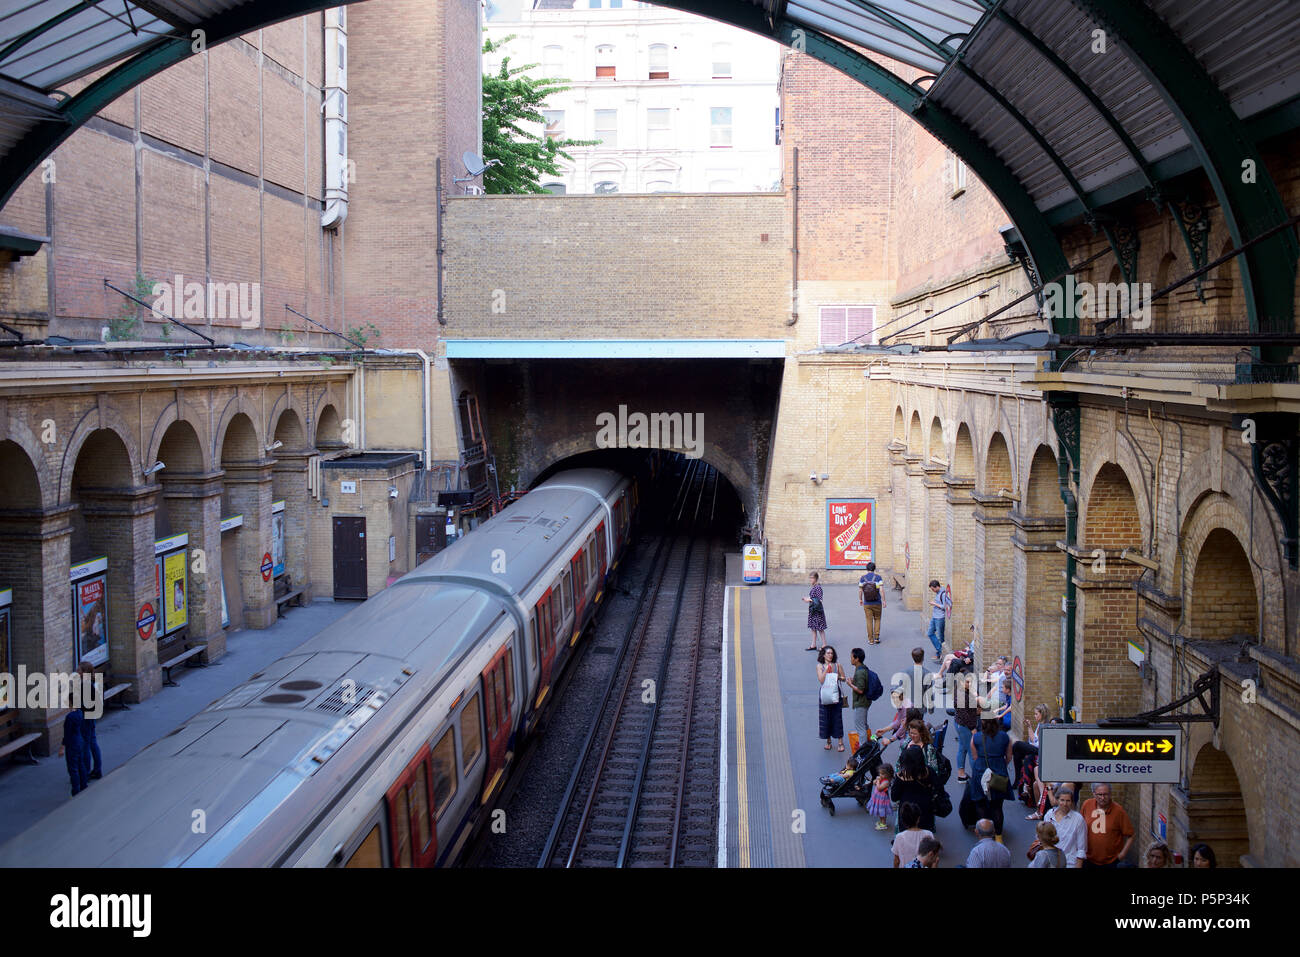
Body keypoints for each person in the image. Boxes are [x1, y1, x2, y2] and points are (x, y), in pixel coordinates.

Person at [961, 718, 1013, 838]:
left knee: (981, 805)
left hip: (980, 773)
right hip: (999, 773)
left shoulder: (976, 737)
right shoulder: (1005, 737)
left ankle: (984, 835)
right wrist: (1000, 765)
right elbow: (1009, 756)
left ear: (983, 723)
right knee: (997, 806)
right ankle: (999, 836)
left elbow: (974, 757)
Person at [1080, 782, 1135, 867]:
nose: (1102, 798)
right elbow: (1080, 828)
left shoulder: (1118, 811)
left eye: (1106, 794)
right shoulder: (1087, 805)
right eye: (1099, 794)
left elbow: (1131, 835)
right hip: (1088, 859)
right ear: (1094, 794)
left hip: (1111, 862)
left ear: (1110, 794)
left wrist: (1122, 854)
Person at [890, 746, 935, 832]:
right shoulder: (929, 771)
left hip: (907, 811)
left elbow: (894, 797)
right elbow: (937, 787)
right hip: (926, 810)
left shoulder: (902, 776)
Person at [1013, 703, 1048, 807]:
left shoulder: (1044, 726)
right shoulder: (1039, 725)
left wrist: (1031, 742)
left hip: (1040, 750)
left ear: (1043, 714)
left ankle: (1018, 780)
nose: (1035, 716)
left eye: (1036, 714)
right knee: (1019, 753)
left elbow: (1036, 743)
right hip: (1035, 748)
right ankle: (1018, 780)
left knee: (1017, 745)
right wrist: (1029, 727)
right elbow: (1033, 739)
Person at [1043, 783, 1086, 867]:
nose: (1065, 804)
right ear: (1057, 800)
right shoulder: (1049, 815)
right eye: (1062, 800)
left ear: (1072, 801)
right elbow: (1043, 840)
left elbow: (1081, 849)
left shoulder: (1078, 819)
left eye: (1068, 801)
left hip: (1069, 863)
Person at [846, 649, 880, 746]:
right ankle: (868, 745)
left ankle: (863, 751)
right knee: (864, 726)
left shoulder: (860, 672)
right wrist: (854, 681)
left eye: (852, 657)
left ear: (856, 659)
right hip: (865, 701)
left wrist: (850, 684)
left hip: (861, 702)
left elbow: (860, 690)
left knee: (860, 728)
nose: (851, 659)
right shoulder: (862, 668)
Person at [816, 645, 847, 752]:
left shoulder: (838, 665)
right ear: (823, 655)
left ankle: (840, 742)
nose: (830, 655)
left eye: (831, 653)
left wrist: (838, 676)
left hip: (835, 693)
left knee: (837, 717)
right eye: (828, 653)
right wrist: (827, 670)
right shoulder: (820, 666)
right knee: (825, 717)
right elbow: (821, 680)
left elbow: (844, 678)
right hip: (824, 693)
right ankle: (828, 741)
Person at [77, 660, 103, 782]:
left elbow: (85, 704)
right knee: (92, 743)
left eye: (78, 670)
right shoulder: (91, 682)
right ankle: (97, 770)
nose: (77, 672)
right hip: (91, 716)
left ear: (84, 672)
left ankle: (86, 772)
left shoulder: (85, 685)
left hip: (86, 717)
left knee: (86, 745)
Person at [57, 700, 87, 797]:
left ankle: (76, 790)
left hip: (72, 744)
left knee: (73, 768)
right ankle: (84, 785)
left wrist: (62, 747)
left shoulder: (69, 717)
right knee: (81, 764)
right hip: (80, 741)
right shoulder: (80, 713)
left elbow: (67, 734)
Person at [952, 672, 978, 783]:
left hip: (960, 724)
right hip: (965, 726)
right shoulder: (962, 694)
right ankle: (976, 779)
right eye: (967, 682)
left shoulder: (962, 692)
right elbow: (964, 714)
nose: (969, 683)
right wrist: (972, 728)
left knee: (962, 748)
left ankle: (961, 774)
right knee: (972, 752)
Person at [891, 801, 933, 868]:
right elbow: (932, 859)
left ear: (903, 820)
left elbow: (896, 861)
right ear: (918, 818)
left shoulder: (899, 837)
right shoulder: (928, 834)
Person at [874, 683, 911, 747]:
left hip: (911, 736)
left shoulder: (907, 707)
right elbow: (898, 721)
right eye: (893, 698)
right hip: (907, 734)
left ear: (902, 696)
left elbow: (903, 727)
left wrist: (890, 740)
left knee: (904, 752)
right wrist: (884, 730)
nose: (894, 700)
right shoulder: (901, 705)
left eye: (896, 697)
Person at [858, 561, 885, 644]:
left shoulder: (862, 578)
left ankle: (871, 640)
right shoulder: (878, 577)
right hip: (877, 602)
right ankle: (877, 637)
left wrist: (860, 599)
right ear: (874, 569)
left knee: (869, 620)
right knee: (877, 619)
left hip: (867, 603)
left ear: (867, 569)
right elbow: (881, 590)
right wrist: (884, 601)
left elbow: (860, 590)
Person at [925, 580, 951, 661]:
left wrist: (934, 604)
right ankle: (940, 651)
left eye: (933, 589)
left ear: (937, 587)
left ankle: (940, 653)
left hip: (940, 618)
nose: (932, 591)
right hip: (935, 617)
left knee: (940, 637)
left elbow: (944, 606)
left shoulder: (943, 594)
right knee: (930, 633)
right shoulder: (938, 593)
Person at [804, 571, 828, 651]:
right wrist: (808, 599)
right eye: (810, 578)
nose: (810, 580)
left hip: (817, 611)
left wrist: (809, 599)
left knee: (820, 628)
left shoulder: (818, 587)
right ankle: (813, 645)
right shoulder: (814, 586)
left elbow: (819, 600)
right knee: (813, 628)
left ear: (816, 578)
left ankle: (824, 645)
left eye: (812, 578)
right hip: (813, 610)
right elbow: (814, 598)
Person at [867, 764, 894, 830]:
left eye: (882, 774)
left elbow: (879, 788)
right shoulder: (881, 778)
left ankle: (883, 824)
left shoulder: (886, 782)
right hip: (878, 798)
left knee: (882, 811)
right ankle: (881, 821)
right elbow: (873, 783)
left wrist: (878, 781)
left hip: (882, 799)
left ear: (888, 775)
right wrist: (875, 781)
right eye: (880, 773)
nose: (880, 775)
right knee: (880, 810)